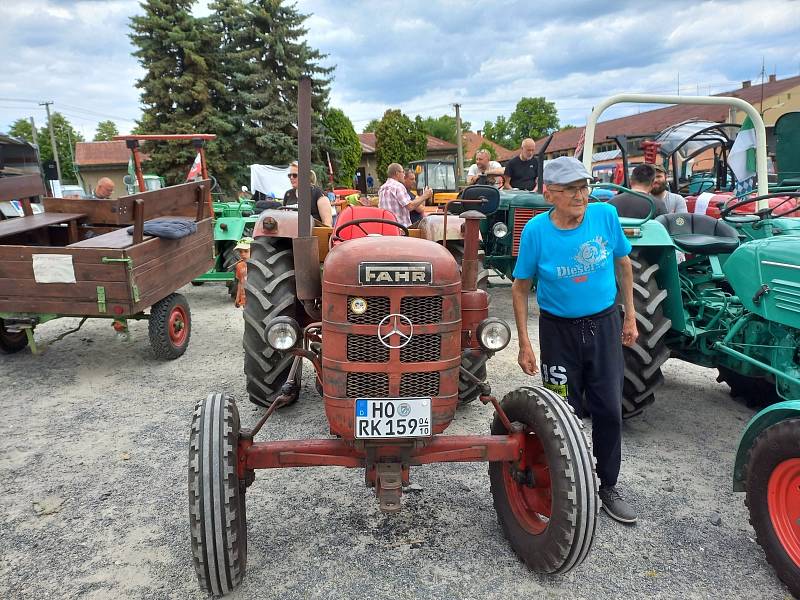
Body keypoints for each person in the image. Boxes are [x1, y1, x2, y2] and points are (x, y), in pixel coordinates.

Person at [511, 156, 639, 524]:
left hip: (603, 326)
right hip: (559, 332)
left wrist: (629, 315)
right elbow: (520, 290)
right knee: (562, 413)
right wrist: (524, 343)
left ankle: (607, 486)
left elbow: (624, 265)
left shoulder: (605, 217)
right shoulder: (536, 232)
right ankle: (561, 485)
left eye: (584, 187)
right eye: (571, 189)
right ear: (549, 193)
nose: (581, 195)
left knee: (609, 411)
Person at [282, 161, 332, 226]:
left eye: (294, 175)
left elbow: (327, 224)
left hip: (312, 234)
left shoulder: (318, 193)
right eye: (289, 175)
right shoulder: (288, 194)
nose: (291, 178)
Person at [378, 163, 427, 227]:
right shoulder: (398, 187)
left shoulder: (382, 188)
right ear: (397, 173)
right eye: (402, 172)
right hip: (401, 228)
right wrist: (425, 195)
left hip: (387, 227)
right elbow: (410, 206)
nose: (404, 175)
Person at [233, 237, 252, 308]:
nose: (243, 254)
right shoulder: (239, 266)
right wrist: (237, 298)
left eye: (246, 251)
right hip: (244, 299)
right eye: (240, 252)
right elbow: (240, 282)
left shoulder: (257, 267)